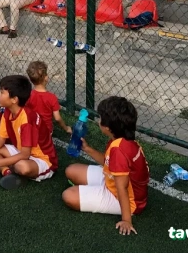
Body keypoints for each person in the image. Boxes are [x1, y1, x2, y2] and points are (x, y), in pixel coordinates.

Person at [62, 96, 149, 235]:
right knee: (71, 170)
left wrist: (126, 220)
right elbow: (109, 163)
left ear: (107, 128)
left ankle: (122, 210)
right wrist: (87, 149)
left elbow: (122, 188)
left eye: (100, 118)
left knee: (68, 196)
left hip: (127, 200)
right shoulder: (122, 139)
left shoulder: (119, 150)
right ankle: (92, 190)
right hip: (113, 180)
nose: (99, 121)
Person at [0, 75, 56, 189]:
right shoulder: (7, 112)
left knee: (22, 166)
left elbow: (25, 155)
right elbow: (0, 139)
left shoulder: (27, 120)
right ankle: (7, 172)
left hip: (41, 159)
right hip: (21, 151)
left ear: (14, 99)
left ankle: (13, 169)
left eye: (2, 92)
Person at [25, 61, 70, 135]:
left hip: (32, 128)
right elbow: (57, 118)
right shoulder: (52, 97)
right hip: (46, 131)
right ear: (46, 78)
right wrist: (66, 128)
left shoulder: (28, 95)